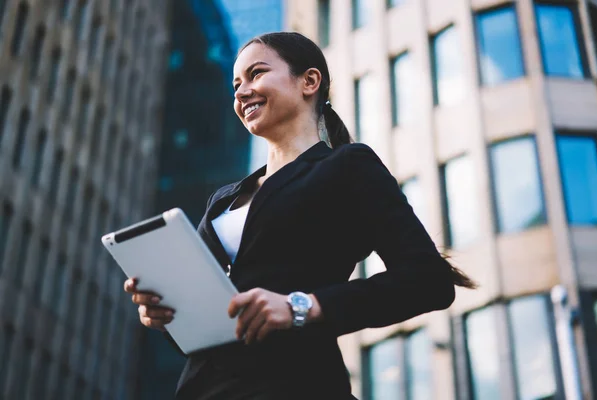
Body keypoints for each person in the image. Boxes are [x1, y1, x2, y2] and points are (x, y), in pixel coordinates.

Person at [124, 32, 477, 399]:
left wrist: (302, 306)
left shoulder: (348, 166)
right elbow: (204, 329)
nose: (242, 92)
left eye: (256, 74)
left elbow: (429, 281)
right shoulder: (223, 200)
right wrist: (164, 315)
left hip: (297, 383)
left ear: (309, 81)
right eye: (236, 85)